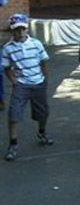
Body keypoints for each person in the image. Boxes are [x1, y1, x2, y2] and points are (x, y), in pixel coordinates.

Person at [3, 14, 53, 162]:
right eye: (16, 30)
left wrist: (45, 80)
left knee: (42, 112)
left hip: (38, 82)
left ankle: (42, 132)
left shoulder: (36, 44)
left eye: (22, 29)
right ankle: (13, 144)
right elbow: (6, 67)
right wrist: (14, 81)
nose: (20, 33)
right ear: (12, 31)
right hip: (21, 85)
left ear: (26, 29)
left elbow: (44, 62)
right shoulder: (8, 48)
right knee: (14, 113)